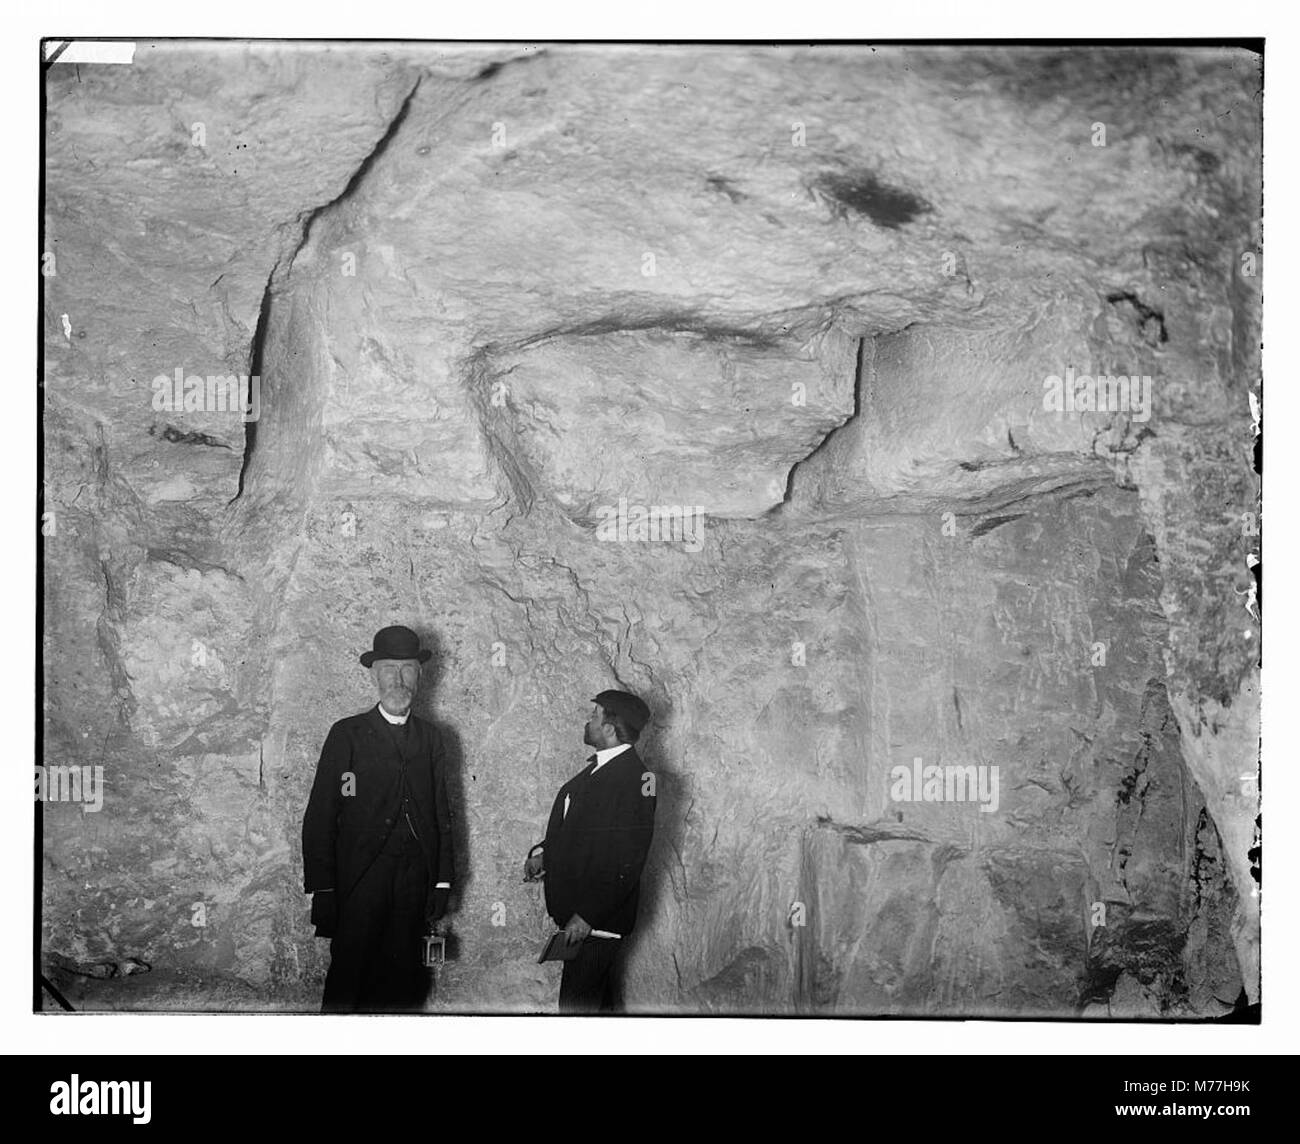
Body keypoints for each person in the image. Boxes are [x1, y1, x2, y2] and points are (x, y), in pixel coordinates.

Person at [302, 625, 454, 1012]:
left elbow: (441, 813)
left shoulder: (431, 738)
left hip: (413, 882)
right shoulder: (348, 735)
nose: (398, 679)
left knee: (405, 983)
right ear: (374, 675)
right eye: (389, 669)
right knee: (351, 978)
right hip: (360, 880)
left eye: (407, 669)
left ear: (420, 675)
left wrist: (441, 880)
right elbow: (322, 813)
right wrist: (324, 889)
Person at [526, 690, 656, 1013]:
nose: (587, 721)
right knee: (600, 1012)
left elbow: (628, 859)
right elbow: (580, 835)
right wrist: (544, 855)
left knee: (575, 1014)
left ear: (609, 729)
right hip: (585, 922)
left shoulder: (639, 778)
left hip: (596, 925)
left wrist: (587, 915)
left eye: (594, 715)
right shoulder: (597, 770)